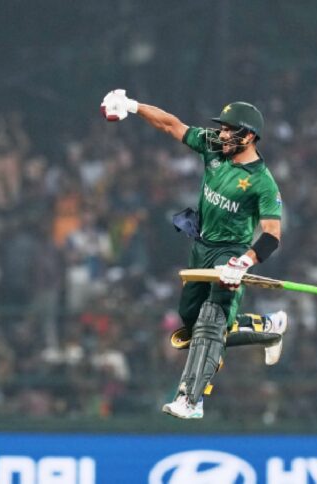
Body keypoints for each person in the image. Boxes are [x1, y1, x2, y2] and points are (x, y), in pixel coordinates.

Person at [101, 90, 288, 419]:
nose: (223, 134)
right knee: (188, 328)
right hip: (201, 247)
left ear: (250, 136)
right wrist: (132, 106)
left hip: (230, 254)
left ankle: (191, 399)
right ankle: (268, 328)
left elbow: (272, 236)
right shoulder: (214, 146)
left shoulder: (263, 183)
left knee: (210, 324)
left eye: (231, 129)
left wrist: (243, 262)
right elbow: (171, 125)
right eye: (223, 127)